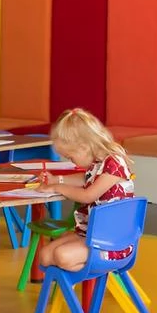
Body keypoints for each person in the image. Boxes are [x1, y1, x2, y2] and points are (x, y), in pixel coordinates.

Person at [33, 108, 137, 273]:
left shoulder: (114, 164)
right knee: (45, 256)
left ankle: (96, 273)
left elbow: (88, 195)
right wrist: (57, 179)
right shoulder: (98, 164)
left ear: (83, 147)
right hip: (90, 234)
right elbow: (85, 178)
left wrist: (57, 187)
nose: (71, 161)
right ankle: (86, 271)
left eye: (70, 157)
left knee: (61, 256)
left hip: (111, 243)